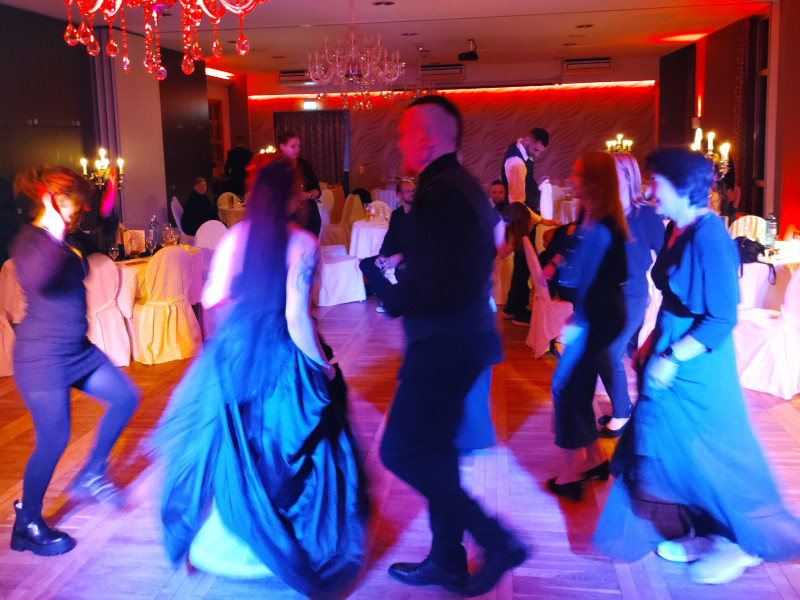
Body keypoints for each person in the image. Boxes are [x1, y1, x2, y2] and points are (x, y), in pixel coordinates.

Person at [155, 157, 367, 596]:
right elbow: (297, 320)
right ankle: (279, 533)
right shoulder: (301, 243)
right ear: (289, 196)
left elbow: (212, 298)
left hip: (235, 349)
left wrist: (229, 345)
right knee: (295, 440)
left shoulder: (234, 238)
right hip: (282, 353)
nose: (302, 194)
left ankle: (234, 530)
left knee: (240, 444)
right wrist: (322, 366)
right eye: (298, 188)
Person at [593, 147, 800, 584]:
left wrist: (671, 357)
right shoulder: (677, 228)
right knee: (678, 451)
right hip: (671, 351)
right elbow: (673, 298)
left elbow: (722, 318)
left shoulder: (710, 237)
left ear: (683, 187)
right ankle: (707, 534)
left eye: (655, 183)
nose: (649, 192)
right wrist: (653, 343)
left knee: (712, 453)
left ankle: (738, 544)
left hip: (699, 365)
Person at [371, 95, 527, 597]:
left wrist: (386, 290)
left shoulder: (441, 192)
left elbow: (433, 283)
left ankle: (496, 539)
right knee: (436, 454)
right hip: (461, 340)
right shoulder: (460, 185)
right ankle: (446, 560)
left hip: (444, 344)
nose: (399, 141)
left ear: (426, 137)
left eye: (404, 133)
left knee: (400, 450)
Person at [9, 166, 140, 557]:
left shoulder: (67, 238)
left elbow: (104, 228)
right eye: (71, 201)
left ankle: (92, 472)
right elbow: (41, 278)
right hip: (41, 357)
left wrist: (110, 193)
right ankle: (28, 522)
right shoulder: (29, 240)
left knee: (126, 397)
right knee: (54, 438)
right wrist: (54, 225)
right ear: (51, 198)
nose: (77, 210)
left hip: (77, 351)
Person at [542, 151, 628, 502]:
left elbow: (591, 279)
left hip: (597, 317)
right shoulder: (590, 217)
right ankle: (592, 461)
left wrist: (577, 320)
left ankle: (571, 475)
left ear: (593, 181)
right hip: (596, 315)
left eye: (578, 174)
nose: (571, 179)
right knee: (576, 386)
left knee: (565, 388)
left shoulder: (602, 226)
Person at [596, 154, 665, 438]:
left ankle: (624, 414)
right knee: (601, 351)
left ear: (628, 177)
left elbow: (665, 255)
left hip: (633, 293)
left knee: (610, 351)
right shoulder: (606, 211)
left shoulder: (645, 215)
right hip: (605, 292)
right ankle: (623, 407)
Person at [358, 179, 415, 308]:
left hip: (413, 255)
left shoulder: (420, 214)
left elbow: (422, 243)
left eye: (413, 191)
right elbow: (389, 238)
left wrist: (401, 256)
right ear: (399, 195)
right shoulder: (397, 215)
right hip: (396, 253)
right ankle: (391, 297)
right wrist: (382, 255)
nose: (412, 194)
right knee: (366, 264)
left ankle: (395, 301)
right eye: (408, 191)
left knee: (401, 270)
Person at [277, 132, 322, 237]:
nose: (297, 149)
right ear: (282, 147)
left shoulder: (304, 165)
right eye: (293, 146)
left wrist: (308, 195)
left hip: (310, 220)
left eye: (298, 146)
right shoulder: (275, 169)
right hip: (287, 222)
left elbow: (318, 191)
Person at [500, 127, 549, 214]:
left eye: (540, 152)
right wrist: (539, 219)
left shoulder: (525, 152)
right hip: (524, 215)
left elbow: (525, 182)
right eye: (536, 150)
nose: (537, 155)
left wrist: (538, 184)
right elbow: (517, 203)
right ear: (527, 140)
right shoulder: (517, 162)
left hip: (529, 210)